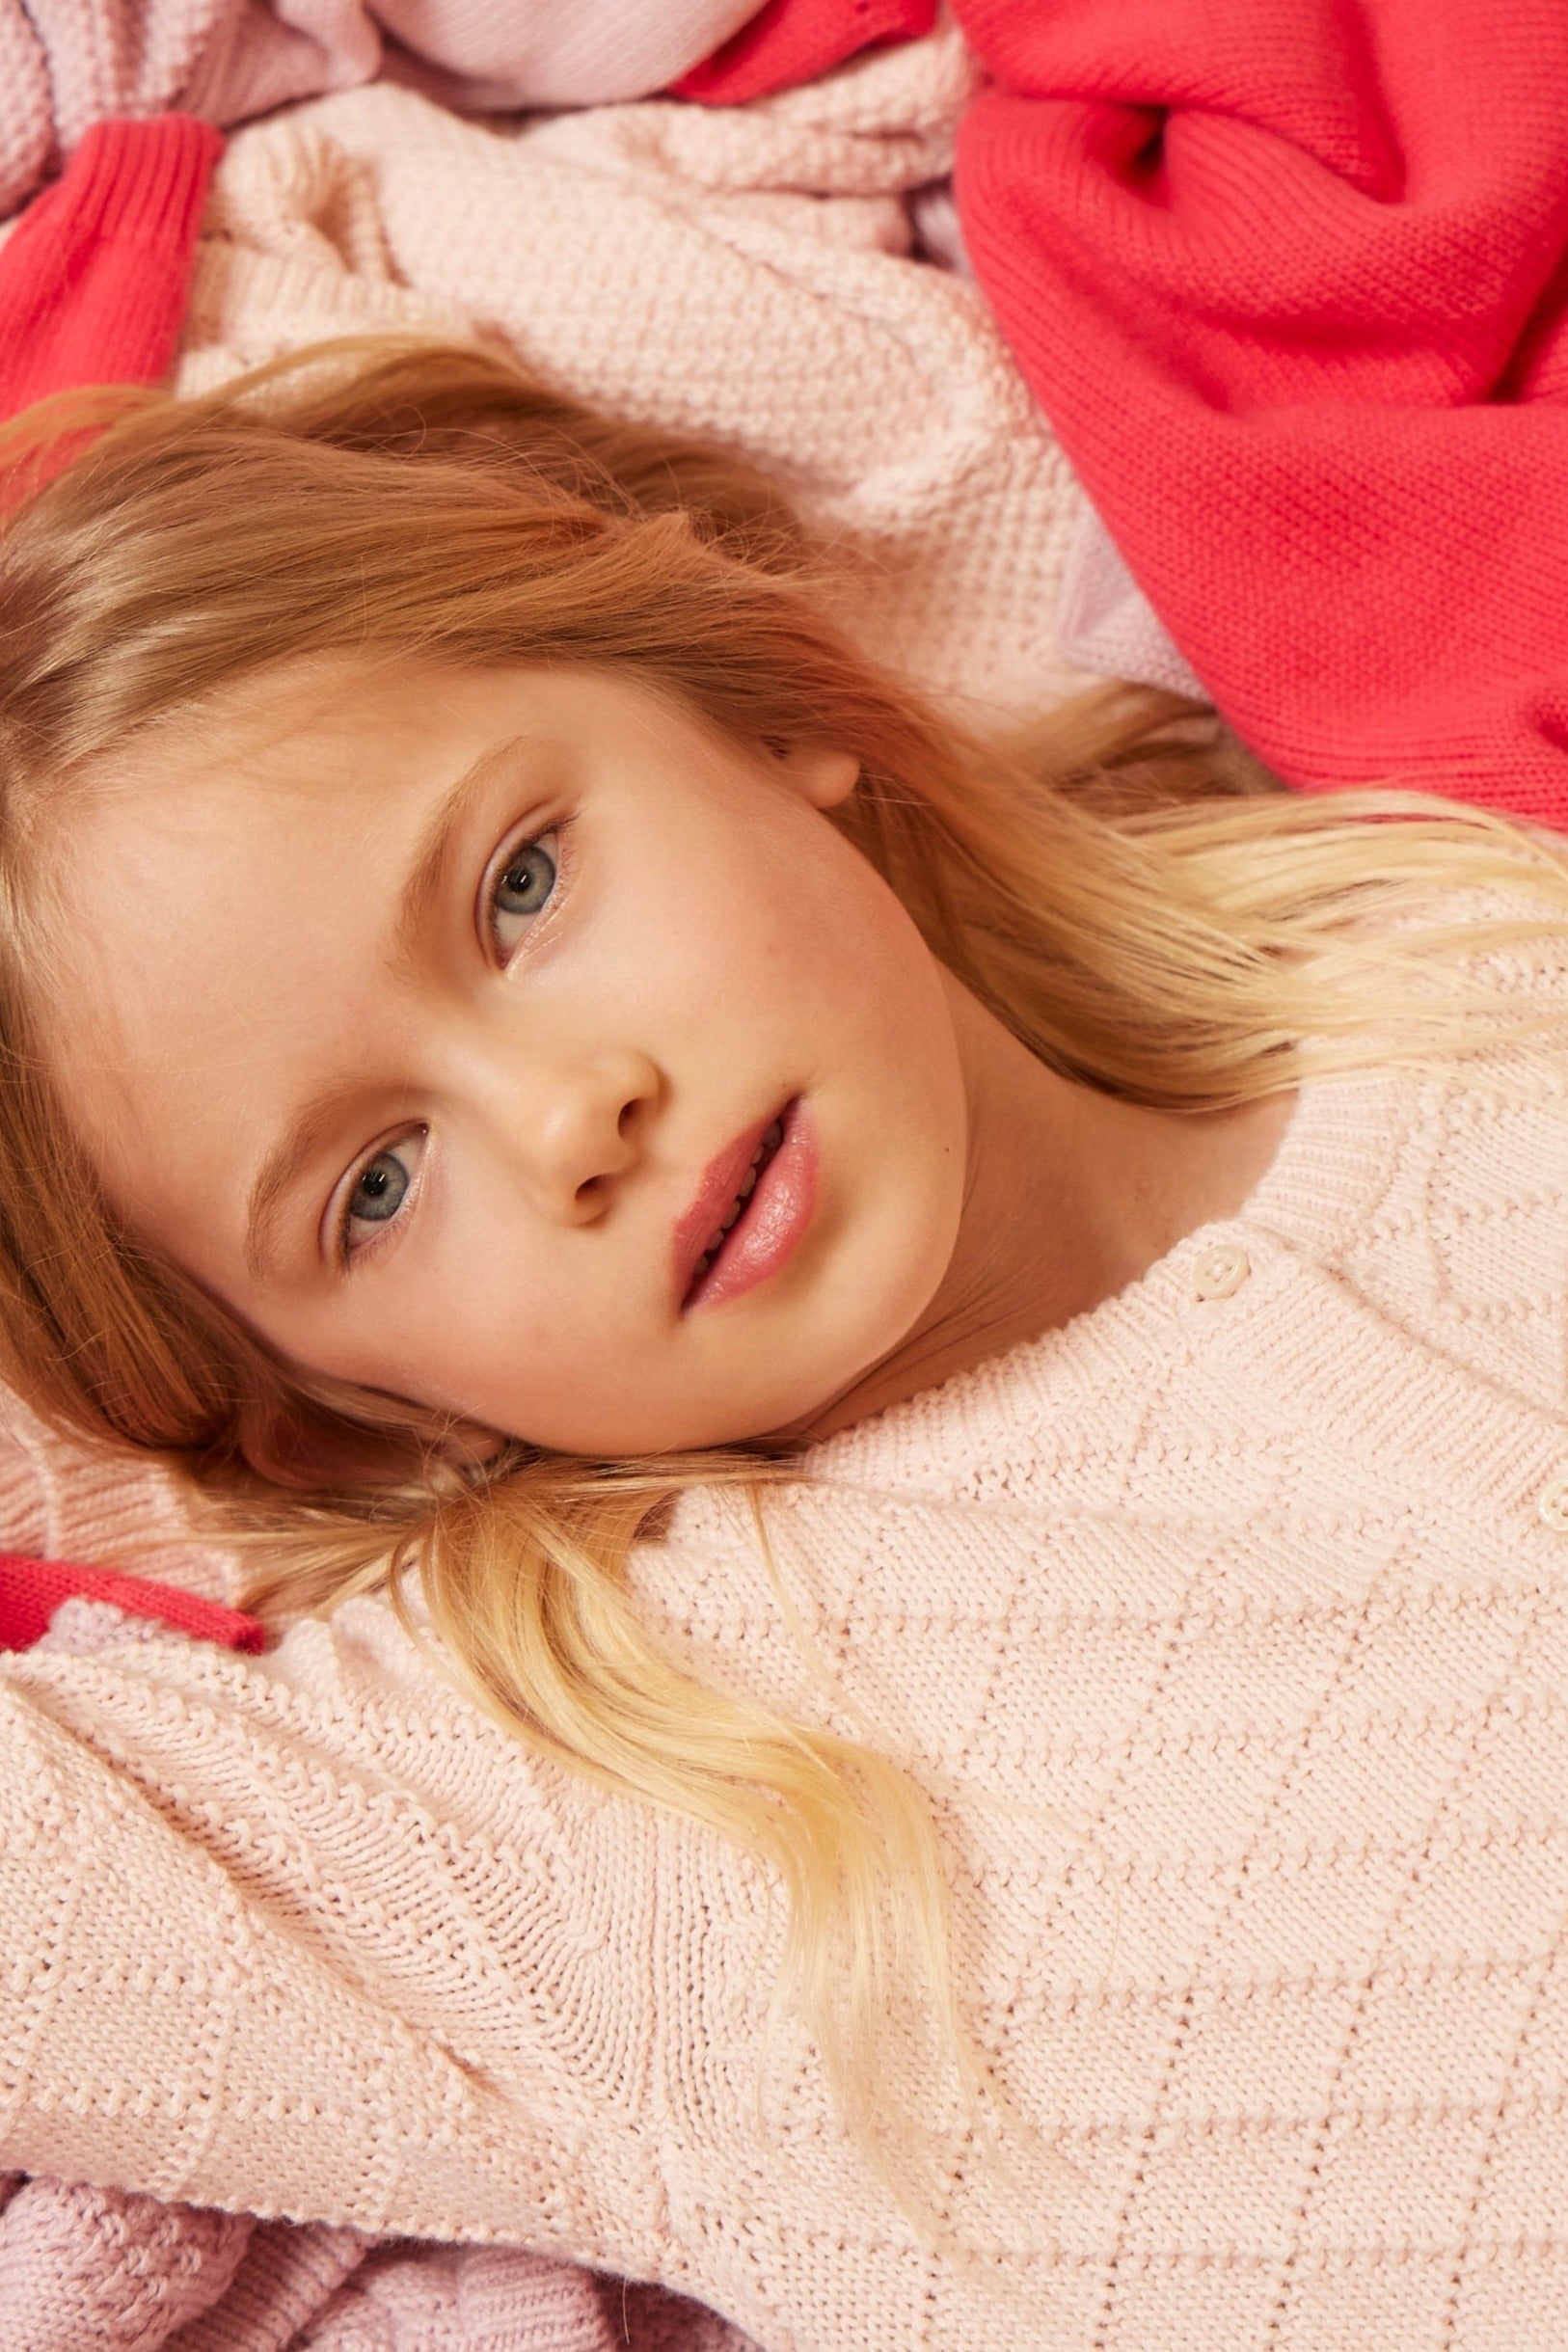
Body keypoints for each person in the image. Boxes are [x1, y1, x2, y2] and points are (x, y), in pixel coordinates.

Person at [2, 336, 1567, 2350]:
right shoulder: (554, 1824)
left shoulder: (1482, 938)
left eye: (521, 886)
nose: (573, 1118)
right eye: (374, 1186)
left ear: (755, 699)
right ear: (333, 1415)